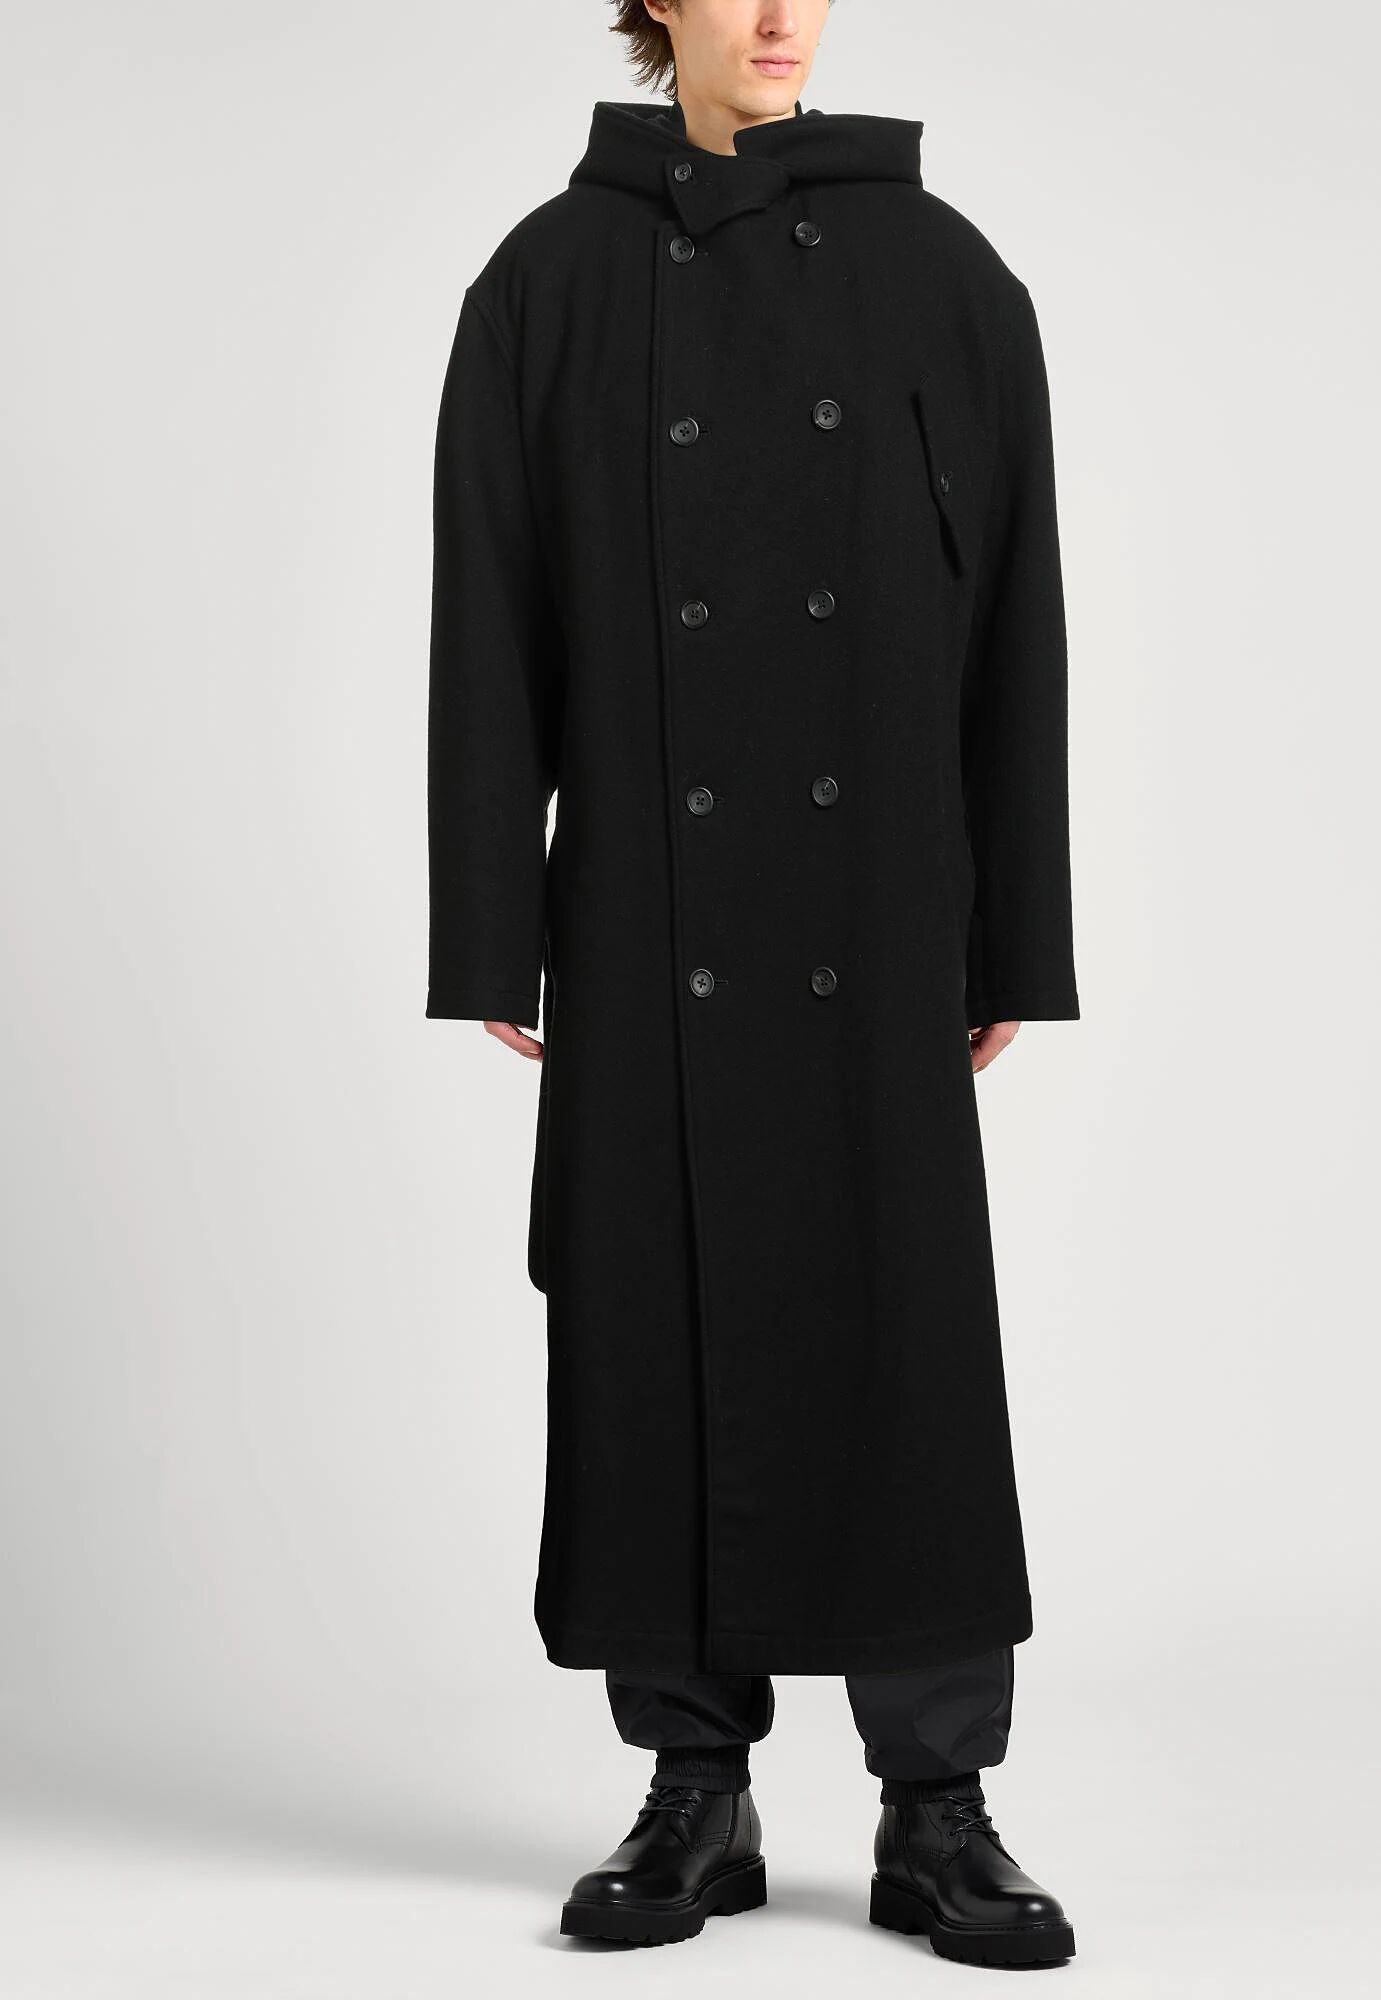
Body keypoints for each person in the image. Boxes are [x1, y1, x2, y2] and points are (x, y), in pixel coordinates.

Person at [425, 0, 1079, 1968]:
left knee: (903, 1322)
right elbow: (489, 607)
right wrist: (493, 922)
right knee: (653, 1317)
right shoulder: (546, 282)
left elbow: (1016, 619)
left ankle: (938, 1801)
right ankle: (692, 1786)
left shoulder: (944, 273)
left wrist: (1015, 931)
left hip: (879, 900)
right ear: (658, 4)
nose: (784, 14)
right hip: (649, 895)